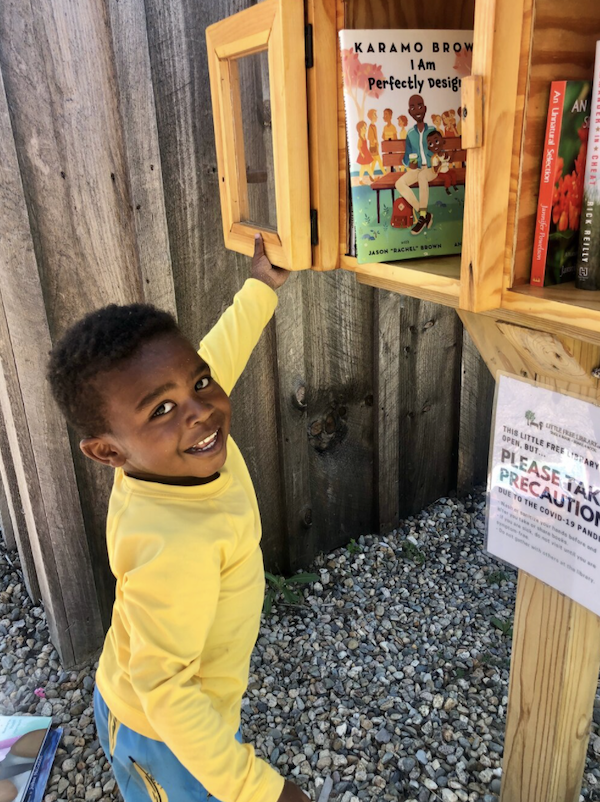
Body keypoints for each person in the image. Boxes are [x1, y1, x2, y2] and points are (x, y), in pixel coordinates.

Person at [46, 234, 307, 802]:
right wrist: (261, 790)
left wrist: (261, 288)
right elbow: (165, 689)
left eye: (200, 383)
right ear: (107, 452)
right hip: (160, 733)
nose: (202, 411)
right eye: (161, 409)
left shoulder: (158, 453)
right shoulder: (173, 545)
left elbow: (219, 354)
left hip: (194, 707)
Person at [394, 94, 437, 235]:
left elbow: (439, 148)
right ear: (409, 112)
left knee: (423, 176)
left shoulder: (432, 130)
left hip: (431, 168)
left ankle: (422, 218)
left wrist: (435, 161)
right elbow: (407, 156)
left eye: (419, 106)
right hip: (417, 168)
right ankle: (424, 213)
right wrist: (409, 164)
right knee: (399, 183)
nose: (417, 110)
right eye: (413, 107)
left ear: (424, 109)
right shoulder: (410, 134)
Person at [426, 130, 459, 194]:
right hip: (440, 173)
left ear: (443, 141)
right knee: (447, 178)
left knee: (453, 174)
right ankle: (447, 188)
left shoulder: (445, 154)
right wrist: (438, 165)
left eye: (436, 141)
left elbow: (450, 161)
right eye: (431, 144)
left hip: (447, 170)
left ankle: (454, 185)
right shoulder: (435, 158)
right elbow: (435, 170)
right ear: (429, 148)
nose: (435, 146)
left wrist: (453, 153)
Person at [367, 109, 386, 174]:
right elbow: (369, 137)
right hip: (373, 148)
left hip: (375, 147)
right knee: (379, 161)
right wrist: (374, 141)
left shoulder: (374, 126)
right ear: (371, 117)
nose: (376, 116)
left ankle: (371, 174)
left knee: (374, 161)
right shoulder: (370, 127)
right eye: (375, 114)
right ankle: (384, 173)